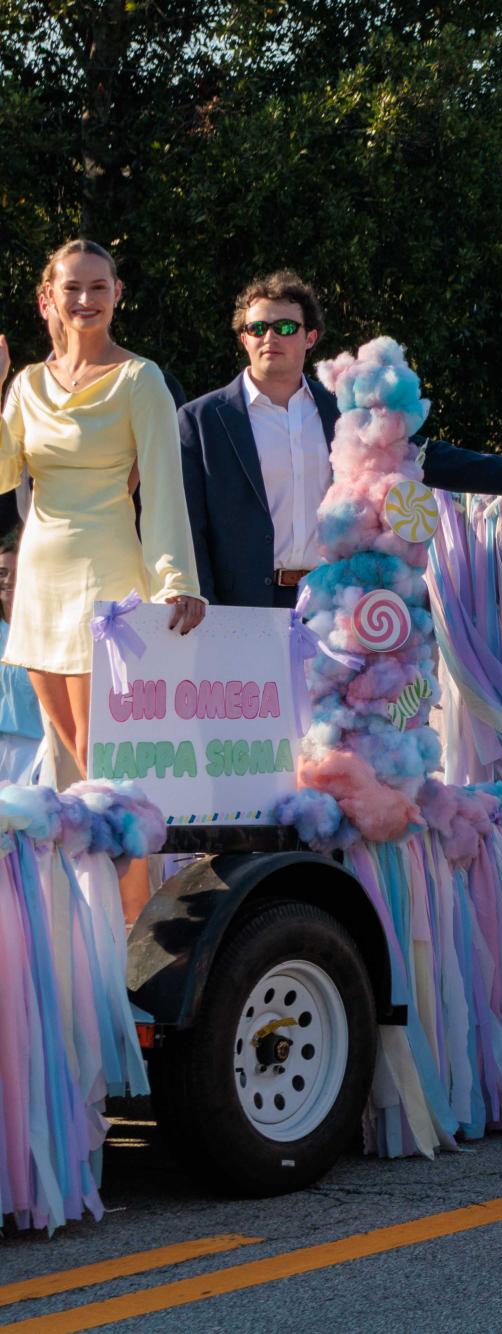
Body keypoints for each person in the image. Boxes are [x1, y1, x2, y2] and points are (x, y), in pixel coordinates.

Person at [2, 240, 205, 922]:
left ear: (117, 294)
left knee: (103, 768)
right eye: (72, 288)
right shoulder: (26, 384)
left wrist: (177, 579)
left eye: (98, 287)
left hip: (107, 580)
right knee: (62, 770)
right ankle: (69, 929)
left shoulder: (141, 379)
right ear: (46, 299)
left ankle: (129, 938)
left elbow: (165, 488)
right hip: (40, 581)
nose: (85, 300)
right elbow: (4, 476)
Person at [179, 270, 502, 609]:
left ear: (310, 337)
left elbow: (433, 459)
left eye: (285, 327)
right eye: (257, 328)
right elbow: (186, 526)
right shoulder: (201, 421)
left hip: (334, 607)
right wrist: (204, 603)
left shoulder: (347, 413)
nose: (271, 337)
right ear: (243, 338)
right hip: (239, 611)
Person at [0, 531, 44, 782]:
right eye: (2, 572)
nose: (9, 580)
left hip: (35, 750)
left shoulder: (46, 633)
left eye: (18, 572)